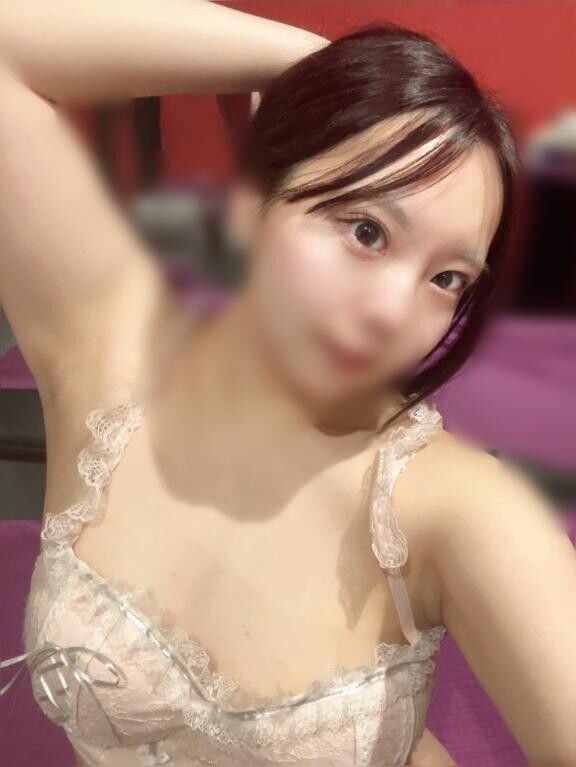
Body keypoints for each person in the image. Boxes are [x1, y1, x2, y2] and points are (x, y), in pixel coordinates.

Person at [0, 2, 575, 766]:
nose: (393, 315)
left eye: (446, 278)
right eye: (366, 230)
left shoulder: (451, 507)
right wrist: (313, 65)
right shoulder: (105, 345)